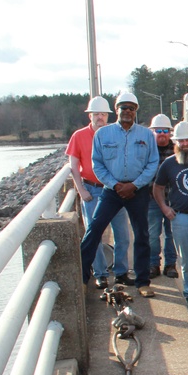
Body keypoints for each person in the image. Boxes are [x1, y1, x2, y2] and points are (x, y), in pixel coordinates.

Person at [79, 92, 160, 298]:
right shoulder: (103, 135)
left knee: (142, 234)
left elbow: (152, 163)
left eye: (131, 108)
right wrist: (115, 185)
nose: (127, 112)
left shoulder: (146, 135)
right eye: (123, 108)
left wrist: (135, 184)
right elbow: (97, 163)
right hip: (111, 191)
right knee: (94, 229)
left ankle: (142, 281)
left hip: (137, 190)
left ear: (136, 111)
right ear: (117, 110)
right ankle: (81, 278)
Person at [66, 96, 130, 289]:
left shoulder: (115, 134)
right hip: (92, 190)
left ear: (108, 116)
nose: (100, 117)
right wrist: (81, 189)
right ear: (90, 115)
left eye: (103, 114)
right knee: (94, 235)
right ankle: (100, 274)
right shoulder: (79, 136)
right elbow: (73, 165)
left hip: (115, 190)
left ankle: (121, 272)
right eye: (96, 114)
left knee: (123, 235)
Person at [153, 121, 188, 313]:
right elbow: (157, 188)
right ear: (176, 142)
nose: (184, 144)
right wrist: (164, 208)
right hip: (181, 218)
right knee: (187, 260)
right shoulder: (169, 164)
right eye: (181, 141)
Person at [147, 113, 178, 279]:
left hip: (173, 199)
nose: (162, 133)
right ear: (153, 132)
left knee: (171, 233)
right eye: (158, 130)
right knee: (152, 234)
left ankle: (171, 264)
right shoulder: (147, 151)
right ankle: (153, 264)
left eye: (165, 130)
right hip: (152, 200)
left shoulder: (177, 150)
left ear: (170, 132)